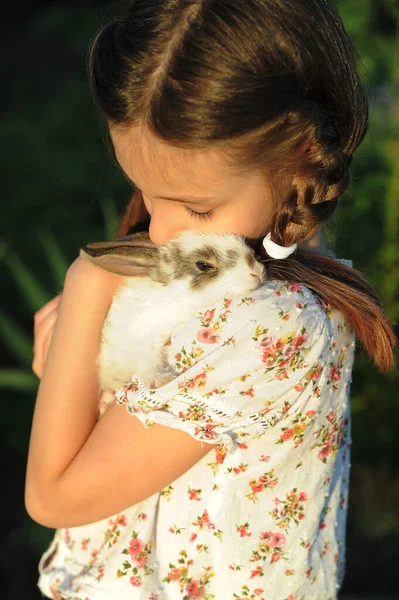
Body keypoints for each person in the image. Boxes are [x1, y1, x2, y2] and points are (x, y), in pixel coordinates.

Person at [25, 1, 397, 599]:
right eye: (144, 190)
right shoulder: (263, 262)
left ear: (300, 155)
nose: (164, 229)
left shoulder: (269, 326)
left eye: (196, 207)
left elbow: (52, 494)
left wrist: (87, 281)